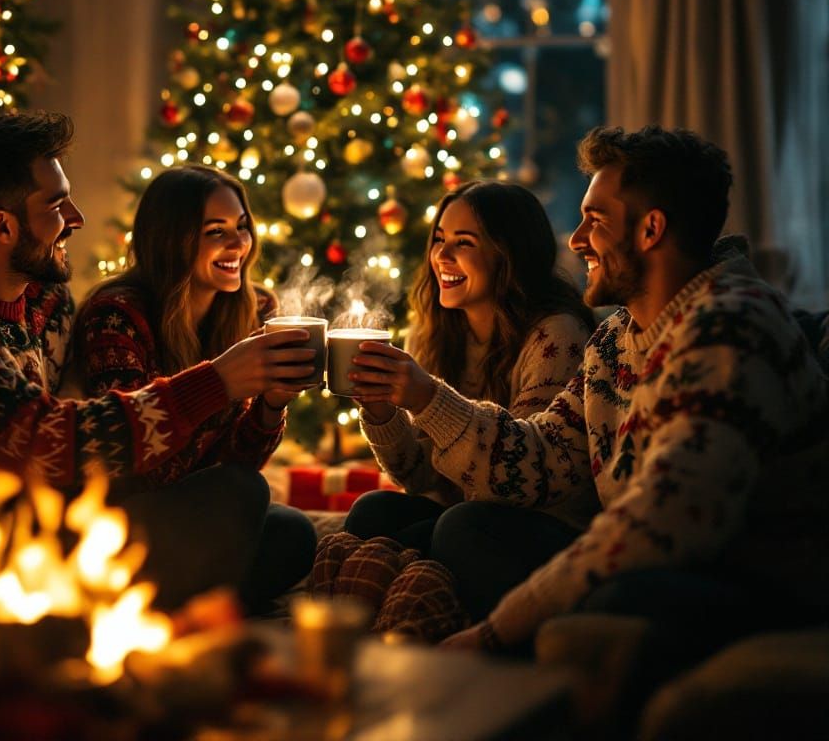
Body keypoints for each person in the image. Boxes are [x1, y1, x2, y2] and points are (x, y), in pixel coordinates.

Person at [349, 126, 828, 660]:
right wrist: (422, 400)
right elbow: (535, 463)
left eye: (594, 222)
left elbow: (670, 520)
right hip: (659, 565)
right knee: (464, 527)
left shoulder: (731, 323)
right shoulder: (614, 338)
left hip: (755, 583)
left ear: (651, 230)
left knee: (622, 598)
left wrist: (494, 631)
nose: (576, 240)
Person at [0, 114, 316, 609]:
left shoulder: (46, 302)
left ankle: (161, 605)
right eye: (55, 204)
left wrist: (265, 405)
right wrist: (218, 381)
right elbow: (52, 440)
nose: (76, 217)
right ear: (2, 226)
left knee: (285, 530)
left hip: (37, 535)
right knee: (234, 495)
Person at [343, 181, 597, 620]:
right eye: (439, 239)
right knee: (372, 512)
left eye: (464, 243)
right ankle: (404, 597)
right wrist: (381, 410)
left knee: (454, 529)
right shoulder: (435, 332)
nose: (442, 256)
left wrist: (427, 398)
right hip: (467, 512)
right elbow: (422, 478)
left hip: (545, 523)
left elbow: (518, 484)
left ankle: (418, 597)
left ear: (509, 254)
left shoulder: (556, 335)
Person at [71, 164, 317, 610]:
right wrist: (220, 385)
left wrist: (271, 404)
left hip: (197, 510)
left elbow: (238, 459)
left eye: (241, 227)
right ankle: (163, 604)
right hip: (123, 520)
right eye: (215, 231)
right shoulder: (117, 316)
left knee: (294, 532)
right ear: (172, 239)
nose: (238, 244)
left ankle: (195, 604)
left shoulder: (251, 309)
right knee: (244, 492)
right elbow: (136, 469)